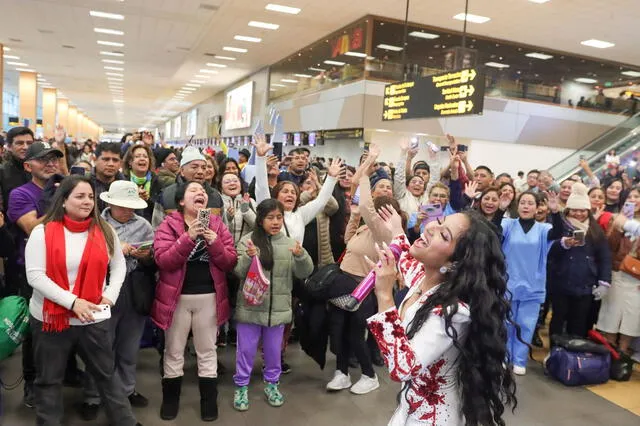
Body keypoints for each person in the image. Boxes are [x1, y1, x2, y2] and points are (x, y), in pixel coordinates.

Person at [366, 207, 518, 426]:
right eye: (439, 221)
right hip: (410, 407)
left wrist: (384, 295)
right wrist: (397, 230)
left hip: (432, 418)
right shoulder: (423, 277)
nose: (429, 228)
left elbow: (402, 367)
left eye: (443, 234)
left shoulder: (451, 312)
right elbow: (406, 259)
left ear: (453, 263)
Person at [24, 175, 141, 426]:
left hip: (93, 319)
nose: (87, 201)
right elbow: (35, 276)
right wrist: (73, 302)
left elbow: (119, 265)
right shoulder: (42, 232)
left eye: (90, 196)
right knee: (49, 379)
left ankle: (125, 421)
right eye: (79, 196)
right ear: (63, 200)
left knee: (106, 375)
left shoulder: (104, 229)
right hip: (50, 320)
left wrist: (110, 295)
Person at [152, 181, 237, 422]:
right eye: (193, 191)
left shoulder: (217, 225)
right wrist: (187, 238)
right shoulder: (169, 225)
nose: (200, 193)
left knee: (207, 350)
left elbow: (230, 262)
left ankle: (209, 402)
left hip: (209, 297)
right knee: (174, 351)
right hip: (176, 299)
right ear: (181, 201)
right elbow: (163, 261)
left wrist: (215, 243)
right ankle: (170, 401)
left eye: (203, 192)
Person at [80, 181, 155, 420]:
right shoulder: (94, 225)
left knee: (129, 347)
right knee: (100, 346)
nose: (127, 210)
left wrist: (146, 256)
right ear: (109, 202)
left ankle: (127, 390)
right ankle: (92, 396)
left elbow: (154, 260)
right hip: (101, 290)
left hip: (133, 290)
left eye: (131, 206)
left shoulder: (143, 225)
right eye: (122, 206)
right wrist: (113, 251)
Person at [232, 199, 313, 411]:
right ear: (260, 220)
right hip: (250, 309)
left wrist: (301, 255)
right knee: (246, 351)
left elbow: (305, 272)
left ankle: (272, 384)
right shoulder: (248, 241)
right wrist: (250, 258)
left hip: (278, 312)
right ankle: (241, 386)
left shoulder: (289, 243)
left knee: (274, 353)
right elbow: (238, 272)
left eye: (279, 217)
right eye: (270, 217)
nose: (275, 222)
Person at [7, 141, 63, 407]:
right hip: (35, 272)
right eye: (43, 159)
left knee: (64, 328)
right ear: (28, 166)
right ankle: (32, 383)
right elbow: (31, 227)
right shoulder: (20, 194)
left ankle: (63, 376)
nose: (51, 163)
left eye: (54, 159)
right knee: (36, 331)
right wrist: (61, 201)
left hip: (65, 269)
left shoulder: (62, 188)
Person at [497, 190, 563, 375]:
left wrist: (555, 211)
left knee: (526, 324)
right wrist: (500, 209)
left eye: (530, 203)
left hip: (533, 285)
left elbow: (559, 232)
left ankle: (519, 359)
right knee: (505, 323)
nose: (526, 206)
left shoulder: (544, 229)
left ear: (536, 208)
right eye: (523, 203)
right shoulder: (508, 224)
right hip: (508, 283)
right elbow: (494, 230)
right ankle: (504, 357)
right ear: (517, 207)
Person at [547, 183, 612, 340]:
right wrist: (564, 243)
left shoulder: (595, 229)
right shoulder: (559, 224)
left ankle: (574, 358)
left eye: (582, 210)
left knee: (579, 323)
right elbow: (549, 248)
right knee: (558, 319)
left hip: (585, 284)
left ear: (588, 211)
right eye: (574, 210)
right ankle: (555, 354)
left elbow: (604, 257)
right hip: (560, 281)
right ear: (568, 209)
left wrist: (604, 281)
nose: (578, 214)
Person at [597, 186, 640, 354]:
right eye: (630, 197)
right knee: (611, 314)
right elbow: (609, 246)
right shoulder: (617, 219)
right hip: (617, 273)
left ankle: (623, 353)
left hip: (637, 278)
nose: (634, 200)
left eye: (637, 196)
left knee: (632, 316)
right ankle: (609, 351)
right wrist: (619, 225)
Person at [152, 146, 223, 228]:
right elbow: (157, 231)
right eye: (194, 167)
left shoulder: (215, 196)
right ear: (182, 171)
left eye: (203, 168)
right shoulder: (166, 196)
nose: (200, 172)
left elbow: (223, 232)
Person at [122, 144, 160, 222]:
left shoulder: (157, 181)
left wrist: (147, 199)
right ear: (130, 162)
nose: (142, 159)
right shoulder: (122, 180)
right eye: (137, 156)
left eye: (145, 157)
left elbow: (160, 208)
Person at [0, 126, 34, 212]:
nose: (26, 147)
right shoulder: (2, 172)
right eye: (20, 143)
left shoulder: (40, 168)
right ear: (9, 146)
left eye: (29, 143)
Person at [91, 142, 125, 213]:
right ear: (94, 160)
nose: (111, 164)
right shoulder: (84, 182)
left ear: (120, 163)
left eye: (115, 160)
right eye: (106, 159)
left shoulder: (126, 186)